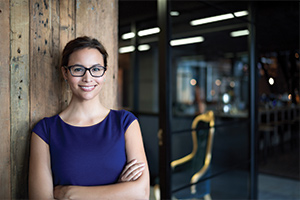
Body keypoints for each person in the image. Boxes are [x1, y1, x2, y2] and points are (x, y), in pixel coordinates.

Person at [28, 36, 150, 199]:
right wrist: (119, 190)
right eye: (78, 69)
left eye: (96, 69)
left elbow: (141, 193)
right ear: (65, 72)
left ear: (105, 73)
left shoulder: (125, 122)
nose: (88, 78)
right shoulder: (45, 131)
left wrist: (68, 194)